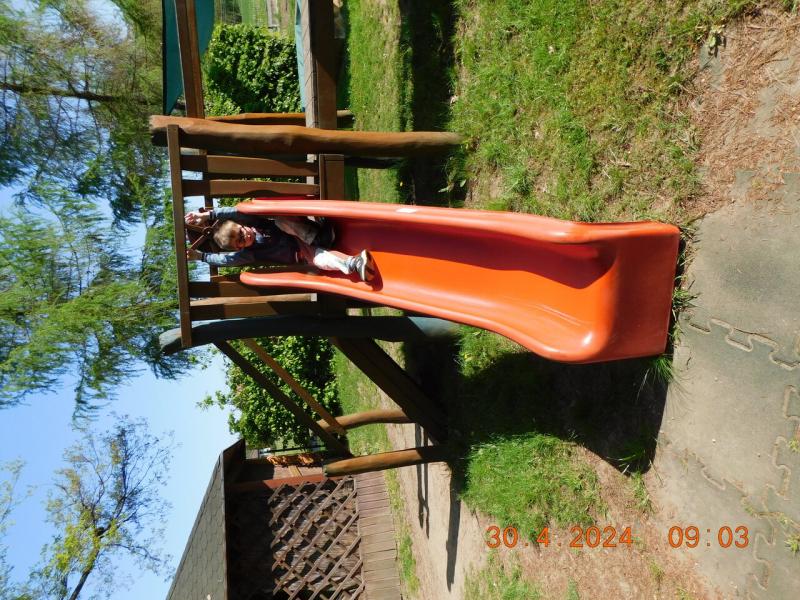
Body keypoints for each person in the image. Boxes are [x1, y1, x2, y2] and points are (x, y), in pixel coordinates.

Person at [184, 207, 375, 281]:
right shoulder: (250, 254)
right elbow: (227, 260)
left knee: (280, 220)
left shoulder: (257, 224)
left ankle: (321, 237)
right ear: (239, 248)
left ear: (243, 225)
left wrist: (207, 215)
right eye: (240, 241)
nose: (245, 236)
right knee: (320, 260)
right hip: (303, 251)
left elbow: (235, 212)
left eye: (241, 232)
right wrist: (201, 256)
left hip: (307, 233)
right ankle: (353, 264)